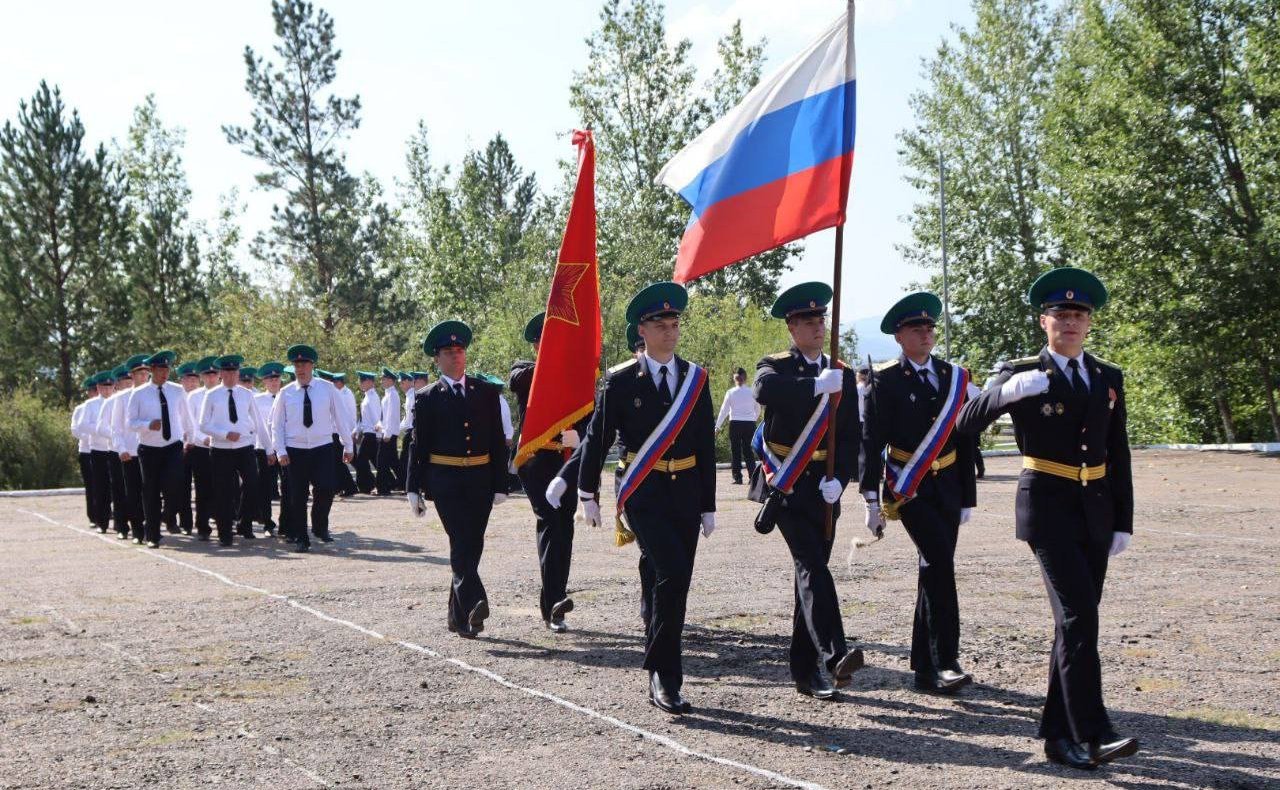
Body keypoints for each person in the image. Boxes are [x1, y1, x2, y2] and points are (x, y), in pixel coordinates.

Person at [956, 267, 1137, 770]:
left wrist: (1124, 518)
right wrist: (1007, 393)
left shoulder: (1107, 377)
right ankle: (1093, 731)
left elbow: (1117, 452)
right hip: (1048, 509)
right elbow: (964, 425)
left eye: (1079, 314)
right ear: (1044, 321)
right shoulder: (1020, 371)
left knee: (1073, 626)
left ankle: (1059, 736)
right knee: (1080, 618)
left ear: (1089, 323)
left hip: (1096, 511)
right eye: (1062, 314)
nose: (1071, 322)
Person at [556, 282, 715, 715]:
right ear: (641, 331)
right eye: (659, 324)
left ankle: (655, 641)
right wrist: (586, 490)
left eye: (674, 322)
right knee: (673, 573)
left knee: (661, 576)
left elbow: (701, 441)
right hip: (642, 492)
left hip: (684, 492)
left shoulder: (696, 379)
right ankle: (664, 673)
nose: (669, 330)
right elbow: (598, 434)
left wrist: (708, 503)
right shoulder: (622, 380)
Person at [752, 282, 866, 700]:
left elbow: (853, 434)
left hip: (824, 486)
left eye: (821, 319)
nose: (817, 326)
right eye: (807, 321)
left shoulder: (842, 373)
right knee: (812, 566)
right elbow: (763, 391)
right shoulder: (777, 366)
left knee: (810, 574)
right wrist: (817, 386)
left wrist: (843, 480)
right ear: (791, 328)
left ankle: (804, 670)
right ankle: (835, 654)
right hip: (785, 483)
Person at [860, 292, 977, 695]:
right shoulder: (886, 380)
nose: (925, 334)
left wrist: (968, 496)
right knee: (939, 565)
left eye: (929, 327)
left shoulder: (953, 375)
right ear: (899, 336)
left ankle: (924, 667)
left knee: (934, 569)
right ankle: (946, 659)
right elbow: (872, 440)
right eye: (916, 328)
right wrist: (871, 499)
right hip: (909, 488)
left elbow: (964, 440)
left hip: (947, 485)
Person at [405, 321, 509, 638]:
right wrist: (413, 488)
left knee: (472, 545)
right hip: (445, 480)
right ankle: (475, 601)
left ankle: (458, 617)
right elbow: (417, 445)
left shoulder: (486, 392)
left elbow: (496, 440)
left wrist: (501, 483)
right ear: (437, 359)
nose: (456, 357)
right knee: (460, 542)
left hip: (479, 476)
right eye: (449, 353)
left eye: (460, 351)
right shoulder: (426, 398)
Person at [509, 311, 585, 632]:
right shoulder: (525, 370)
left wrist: (580, 435)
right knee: (551, 520)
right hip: (536, 461)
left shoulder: (572, 374)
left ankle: (554, 601)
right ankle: (555, 601)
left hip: (566, 459)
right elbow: (518, 380)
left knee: (563, 527)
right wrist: (555, 360)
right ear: (538, 344)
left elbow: (587, 413)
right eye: (548, 340)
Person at [271, 345, 354, 552]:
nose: (301, 368)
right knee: (297, 495)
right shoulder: (285, 393)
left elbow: (340, 418)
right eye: (297, 365)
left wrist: (348, 444)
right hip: (295, 450)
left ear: (312, 365)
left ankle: (319, 526)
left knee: (326, 488)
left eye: (305, 364)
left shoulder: (327, 389)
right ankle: (301, 537)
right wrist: (280, 450)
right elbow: (277, 424)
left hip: (322, 447)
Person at [200, 355, 271, 546]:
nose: (231, 375)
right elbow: (203, 425)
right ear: (221, 374)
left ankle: (245, 523)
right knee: (223, 491)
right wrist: (224, 434)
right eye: (227, 372)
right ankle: (225, 533)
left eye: (234, 372)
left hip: (244, 448)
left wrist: (270, 449)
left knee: (253, 484)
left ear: (238, 373)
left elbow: (259, 423)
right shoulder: (212, 395)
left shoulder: (246, 394)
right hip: (221, 449)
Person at [125, 351, 194, 548]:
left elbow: (186, 416)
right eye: (161, 369)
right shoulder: (138, 394)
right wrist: (147, 424)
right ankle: (153, 535)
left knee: (175, 484)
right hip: (149, 449)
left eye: (167, 368)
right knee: (151, 492)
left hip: (173, 445)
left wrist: (191, 437)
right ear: (152, 370)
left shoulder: (177, 390)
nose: (165, 372)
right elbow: (130, 423)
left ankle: (168, 514)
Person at [105, 354, 151, 543]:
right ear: (132, 376)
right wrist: (121, 448)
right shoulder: (122, 398)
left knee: (150, 491)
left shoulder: (154, 393)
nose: (143, 377)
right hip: (130, 452)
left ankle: (151, 528)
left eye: (146, 373)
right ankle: (137, 531)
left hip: (151, 450)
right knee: (131, 493)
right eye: (139, 374)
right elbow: (115, 427)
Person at [186, 356, 220, 540]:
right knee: (203, 488)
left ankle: (225, 522)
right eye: (207, 375)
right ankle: (203, 526)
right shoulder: (194, 397)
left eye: (214, 374)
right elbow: (190, 424)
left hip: (223, 447)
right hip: (201, 448)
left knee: (224, 487)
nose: (211, 378)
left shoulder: (225, 393)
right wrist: (203, 438)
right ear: (202, 377)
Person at [254, 362, 285, 535]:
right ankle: (267, 522)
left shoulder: (287, 396)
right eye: (270, 379)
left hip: (284, 448)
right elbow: (257, 427)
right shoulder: (257, 400)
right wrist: (266, 449)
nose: (274, 382)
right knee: (265, 488)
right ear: (264, 382)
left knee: (288, 488)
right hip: (263, 450)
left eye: (276, 378)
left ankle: (286, 522)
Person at [82, 372, 115, 533]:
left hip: (115, 449)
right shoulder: (90, 404)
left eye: (110, 386)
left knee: (118, 487)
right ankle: (101, 521)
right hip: (98, 449)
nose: (107, 389)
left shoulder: (119, 401)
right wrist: (101, 430)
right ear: (98, 387)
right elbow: (83, 425)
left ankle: (120, 519)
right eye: (103, 386)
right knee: (100, 487)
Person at [715, 367, 759, 485]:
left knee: (736, 451)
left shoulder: (730, 392)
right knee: (748, 451)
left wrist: (717, 426)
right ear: (745, 378)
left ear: (735, 378)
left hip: (735, 423)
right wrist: (752, 419)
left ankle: (737, 477)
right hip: (749, 424)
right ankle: (753, 477)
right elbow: (758, 409)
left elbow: (724, 411)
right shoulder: (752, 392)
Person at [70, 376, 98, 528]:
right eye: (93, 390)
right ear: (88, 392)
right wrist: (91, 436)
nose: (95, 392)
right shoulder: (81, 408)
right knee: (91, 484)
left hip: (106, 449)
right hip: (87, 450)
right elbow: (75, 429)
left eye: (97, 389)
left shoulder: (108, 404)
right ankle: (93, 515)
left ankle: (105, 510)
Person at [354, 371, 381, 494]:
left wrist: (379, 433)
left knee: (361, 460)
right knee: (376, 461)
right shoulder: (367, 396)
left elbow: (376, 417)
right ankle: (387, 482)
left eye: (362, 380)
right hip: (367, 433)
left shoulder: (373, 397)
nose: (360, 383)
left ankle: (367, 485)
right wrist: (357, 430)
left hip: (371, 433)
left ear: (370, 382)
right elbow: (363, 418)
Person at [377, 368, 402, 494]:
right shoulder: (388, 394)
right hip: (387, 431)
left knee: (382, 461)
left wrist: (386, 433)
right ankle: (404, 483)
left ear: (391, 381)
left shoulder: (392, 395)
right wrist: (380, 425)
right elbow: (384, 415)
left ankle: (383, 488)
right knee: (393, 462)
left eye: (384, 379)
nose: (381, 381)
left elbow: (391, 416)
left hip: (389, 434)